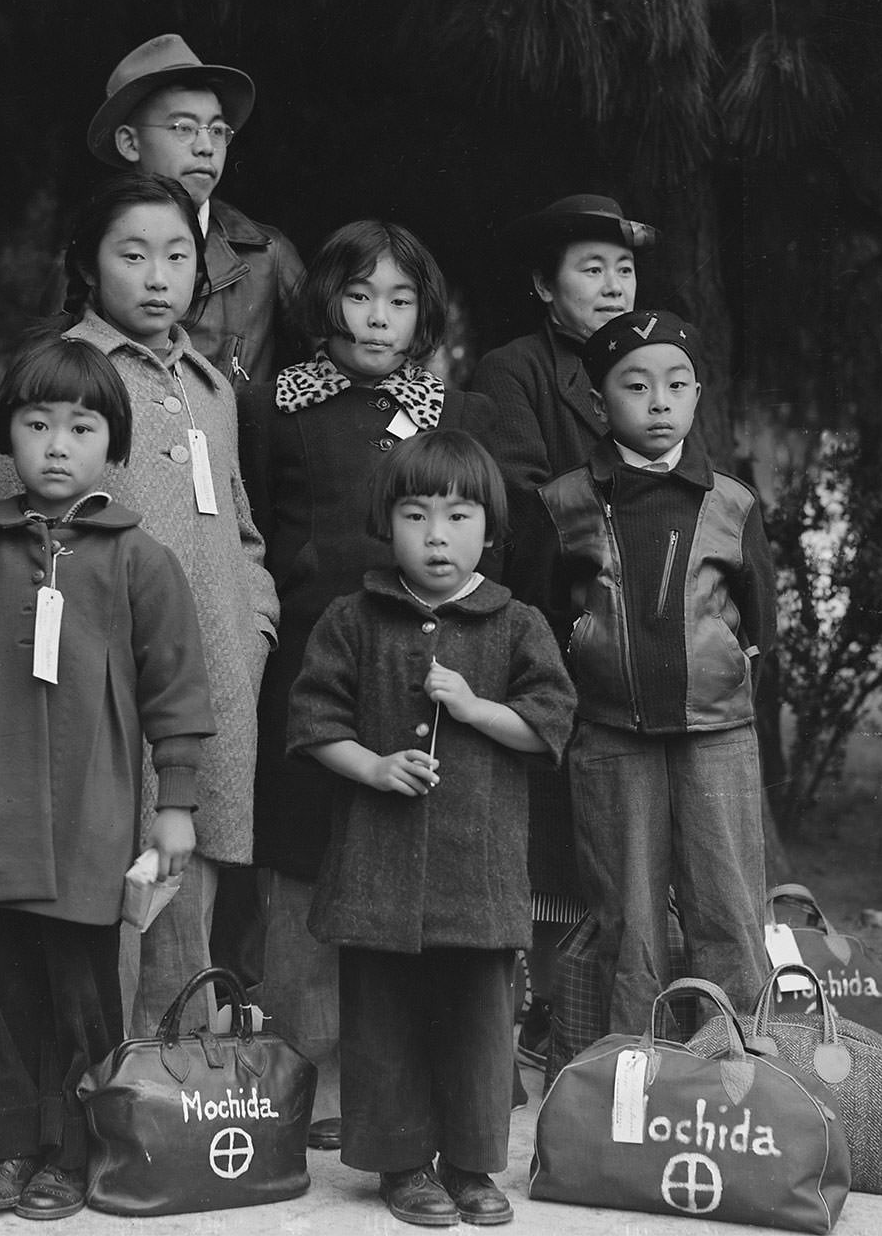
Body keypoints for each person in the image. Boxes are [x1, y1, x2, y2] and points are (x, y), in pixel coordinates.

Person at [0, 339, 216, 1220]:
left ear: (111, 445)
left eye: (81, 427)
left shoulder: (140, 561)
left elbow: (177, 691)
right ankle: (2, 1145)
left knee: (82, 996)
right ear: (5, 438)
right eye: (36, 425)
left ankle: (70, 1154)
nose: (56, 444)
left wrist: (178, 806)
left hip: (90, 820)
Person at [0, 173, 278, 1038]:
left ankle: (175, 1093)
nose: (157, 277)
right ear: (87, 262)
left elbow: (243, 527)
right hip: (99, 686)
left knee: (196, 867)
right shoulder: (64, 375)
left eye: (177, 256)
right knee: (111, 879)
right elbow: (4, 524)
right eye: (133, 254)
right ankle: (95, 1094)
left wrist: (251, 626)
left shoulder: (211, 386)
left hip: (214, 676)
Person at [238, 221, 495, 1148]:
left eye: (399, 299)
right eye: (358, 296)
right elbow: (258, 519)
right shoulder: (272, 405)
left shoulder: (446, 411)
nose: (378, 318)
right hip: (310, 656)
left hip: (412, 661)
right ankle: (293, 1072)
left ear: (423, 312)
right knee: (301, 860)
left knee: (395, 857)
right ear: (325, 303)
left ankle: (387, 1083)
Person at [286, 431, 576, 1228]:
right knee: (383, 1020)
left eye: (458, 516)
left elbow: (551, 726)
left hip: (478, 873)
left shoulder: (515, 623)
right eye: (416, 516)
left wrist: (478, 708)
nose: (437, 536)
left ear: (492, 527)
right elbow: (314, 722)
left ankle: (473, 1166)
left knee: (480, 1023)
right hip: (376, 869)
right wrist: (375, 768)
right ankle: (404, 1166)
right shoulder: (354, 617)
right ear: (388, 523)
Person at [531, 309, 775, 1039]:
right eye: (637, 387)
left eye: (676, 385)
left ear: (698, 395)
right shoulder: (565, 502)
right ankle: (628, 1077)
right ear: (602, 406)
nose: (659, 402)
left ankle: (740, 1070)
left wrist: (728, 680)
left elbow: (759, 619)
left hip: (717, 734)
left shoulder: (731, 503)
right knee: (627, 915)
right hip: (610, 738)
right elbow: (542, 621)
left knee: (728, 905)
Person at [468, 193, 656, 1070]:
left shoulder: (659, 362)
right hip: (556, 619)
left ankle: (604, 1021)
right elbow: (525, 501)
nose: (612, 285)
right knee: (550, 840)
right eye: (591, 269)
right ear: (546, 288)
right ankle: (539, 1014)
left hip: (649, 629)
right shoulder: (516, 371)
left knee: (623, 838)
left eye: (623, 268)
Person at [86, 32, 304, 384]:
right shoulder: (90, 254)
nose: (206, 146)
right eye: (183, 127)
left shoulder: (267, 256)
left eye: (218, 130)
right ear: (129, 142)